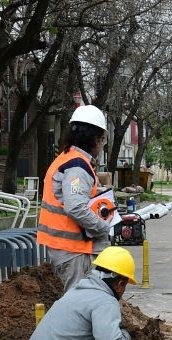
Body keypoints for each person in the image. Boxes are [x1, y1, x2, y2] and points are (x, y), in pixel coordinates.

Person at [36, 105, 113, 291]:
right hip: (73, 250)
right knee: (79, 303)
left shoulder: (67, 158)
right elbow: (75, 207)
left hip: (67, 248)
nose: (102, 145)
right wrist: (104, 227)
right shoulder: (77, 166)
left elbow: (71, 196)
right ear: (94, 139)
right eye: (102, 139)